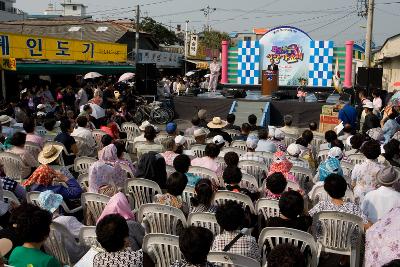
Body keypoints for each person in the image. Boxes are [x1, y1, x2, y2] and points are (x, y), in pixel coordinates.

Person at [37, 190, 86, 264]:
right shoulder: (67, 220)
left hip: (56, 258)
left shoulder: (39, 225)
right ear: (58, 204)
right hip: (77, 256)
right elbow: (86, 234)